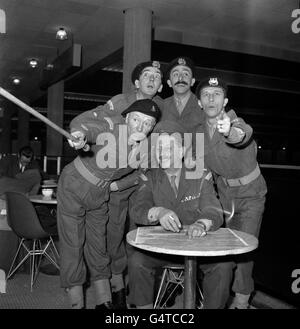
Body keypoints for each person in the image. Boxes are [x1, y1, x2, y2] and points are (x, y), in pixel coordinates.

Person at [57, 98, 161, 309]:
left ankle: (104, 303)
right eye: (137, 120)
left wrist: (116, 186)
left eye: (148, 123)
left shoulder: (146, 147)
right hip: (75, 184)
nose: (141, 127)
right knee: (74, 244)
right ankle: (76, 303)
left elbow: (141, 174)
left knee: (99, 245)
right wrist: (80, 134)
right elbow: (87, 125)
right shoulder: (112, 125)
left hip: (101, 193)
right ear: (128, 118)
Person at [127, 120, 233, 309]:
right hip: (162, 249)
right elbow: (137, 209)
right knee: (137, 261)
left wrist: (201, 225)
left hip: (198, 248)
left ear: (183, 150)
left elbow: (213, 210)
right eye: (159, 147)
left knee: (223, 266)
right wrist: (158, 212)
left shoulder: (200, 174)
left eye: (169, 147)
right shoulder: (149, 176)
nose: (162, 152)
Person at [195, 77, 267, 309]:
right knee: (226, 250)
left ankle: (242, 299)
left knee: (244, 248)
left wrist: (229, 132)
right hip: (224, 196)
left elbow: (242, 133)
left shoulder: (233, 120)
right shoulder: (198, 133)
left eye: (216, 94)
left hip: (250, 194)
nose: (211, 98)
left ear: (225, 100)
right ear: (199, 103)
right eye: (206, 94)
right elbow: (199, 165)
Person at [96, 60, 163, 308]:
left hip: (143, 180)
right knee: (112, 234)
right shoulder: (120, 102)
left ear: (160, 85)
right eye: (147, 74)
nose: (152, 79)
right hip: (119, 178)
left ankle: (139, 293)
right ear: (137, 82)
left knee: (141, 235)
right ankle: (117, 288)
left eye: (157, 76)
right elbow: (100, 128)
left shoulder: (162, 107)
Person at [161, 56, 205, 152]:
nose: (181, 78)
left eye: (185, 74)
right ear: (169, 82)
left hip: (197, 164)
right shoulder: (161, 106)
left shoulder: (205, 106)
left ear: (192, 81)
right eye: (176, 74)